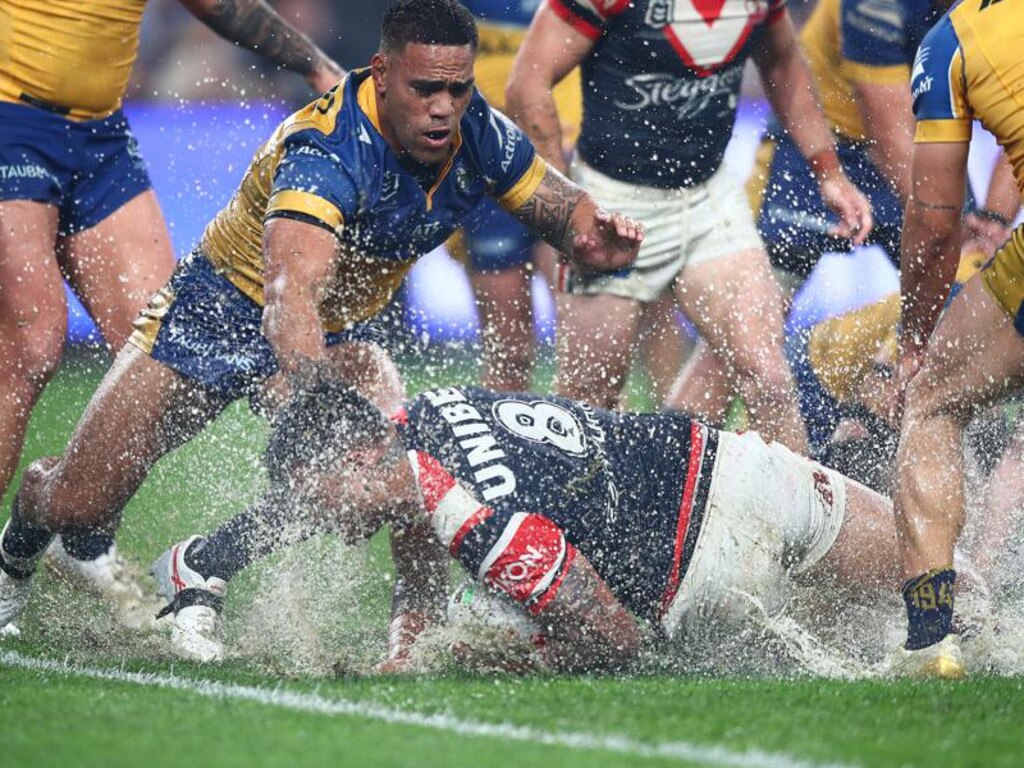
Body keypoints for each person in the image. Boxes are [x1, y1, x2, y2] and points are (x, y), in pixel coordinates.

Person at [0, 0, 643, 636]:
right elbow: (291, 293)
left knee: (410, 452)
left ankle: (409, 632)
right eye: (426, 89)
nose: (445, 107)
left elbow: (561, 209)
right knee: (77, 503)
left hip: (331, 337)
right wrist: (312, 405)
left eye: (458, 88)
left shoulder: (478, 131)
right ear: (382, 73)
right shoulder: (327, 150)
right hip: (218, 318)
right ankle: (24, 534)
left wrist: (599, 237)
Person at [138, 379, 899, 668]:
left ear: (366, 452)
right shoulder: (416, 422)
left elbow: (613, 640)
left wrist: (486, 661)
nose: (319, 520)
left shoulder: (475, 521)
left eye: (317, 493)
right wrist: (407, 650)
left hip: (707, 581)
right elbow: (413, 531)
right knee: (938, 595)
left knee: (507, 619)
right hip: (742, 468)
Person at [0, 0, 344, 609]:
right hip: (8, 118)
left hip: (98, 134)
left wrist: (315, 66)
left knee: (170, 353)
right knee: (30, 346)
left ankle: (78, 542)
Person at [503, 0, 874, 453]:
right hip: (610, 204)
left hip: (707, 199)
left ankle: (799, 522)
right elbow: (526, 85)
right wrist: (566, 213)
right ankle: (575, 520)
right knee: (585, 409)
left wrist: (828, 172)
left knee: (770, 379)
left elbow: (782, 60)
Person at [892, 0, 1024, 678]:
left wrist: (911, 334)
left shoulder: (955, 38)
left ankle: (931, 642)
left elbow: (934, 218)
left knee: (933, 395)